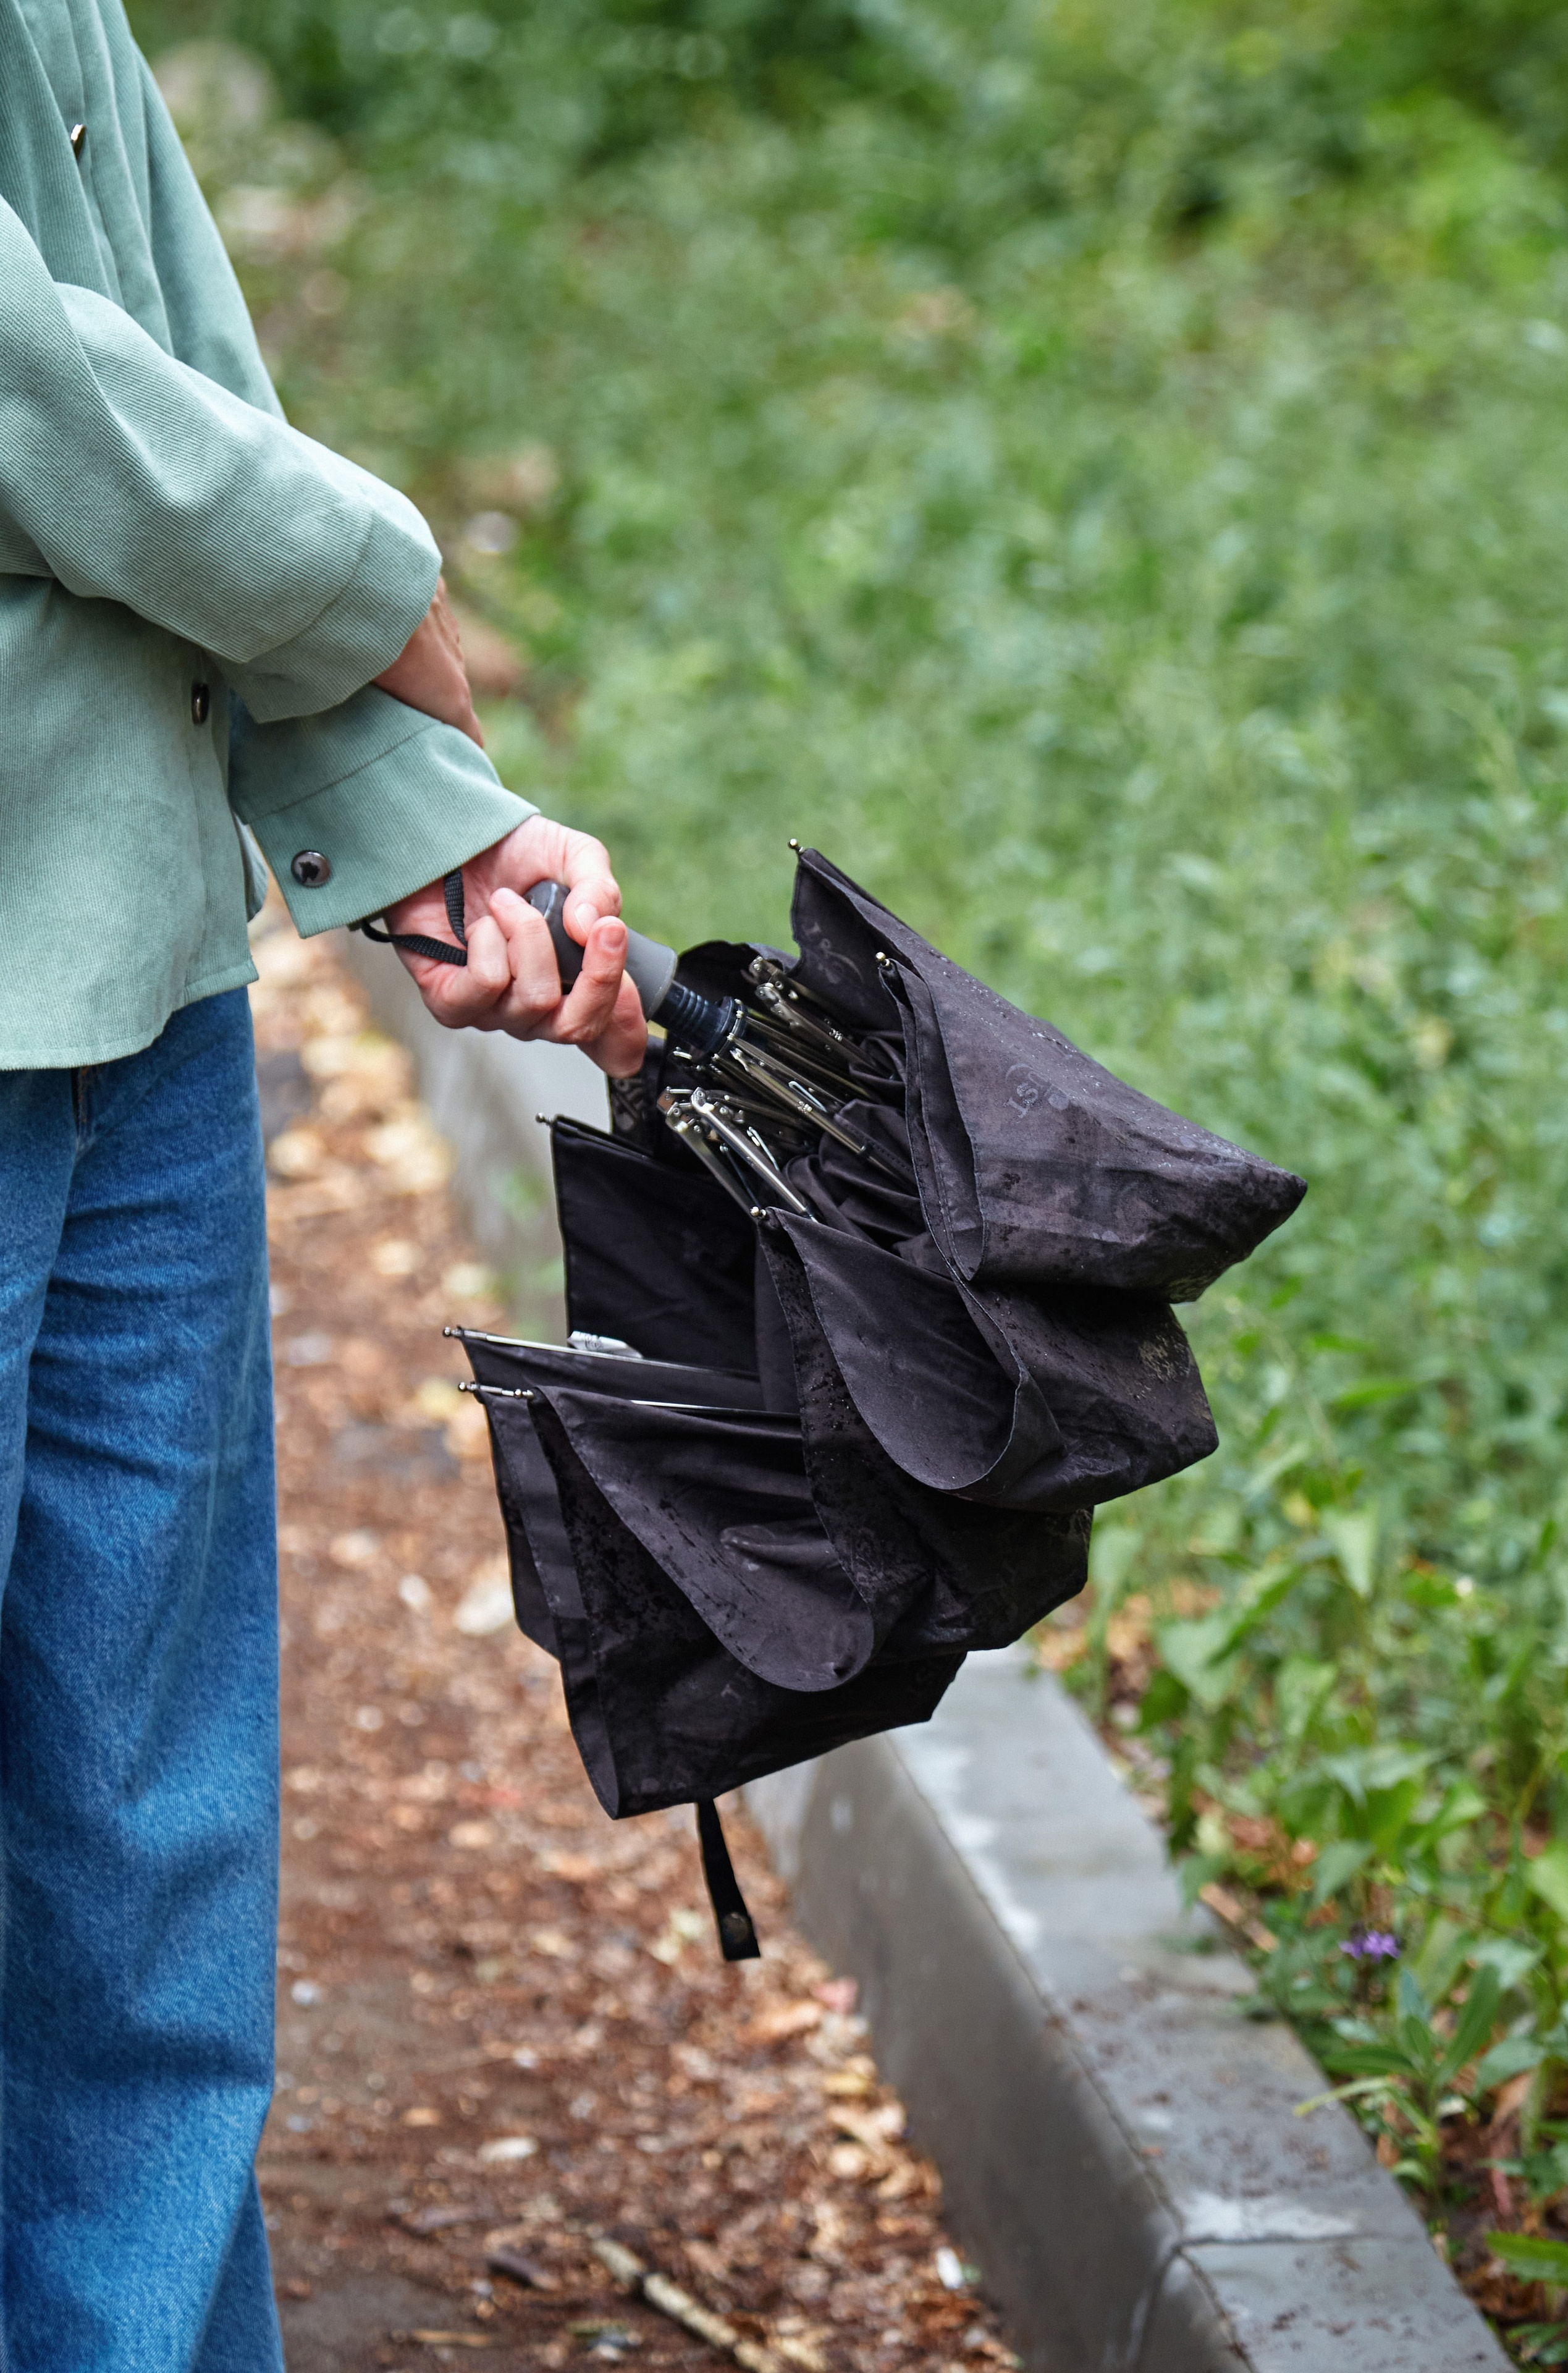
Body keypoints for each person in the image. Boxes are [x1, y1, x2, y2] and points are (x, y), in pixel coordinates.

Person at [0, 3, 644, 2364]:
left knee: (142, 1849)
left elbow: (155, 303)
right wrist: (369, 585)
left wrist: (390, 795)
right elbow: (31, 379)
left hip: (127, 973)